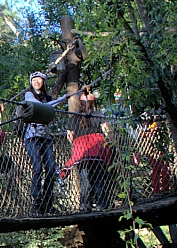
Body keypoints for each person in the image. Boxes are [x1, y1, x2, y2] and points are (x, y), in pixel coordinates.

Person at [64, 92, 113, 211]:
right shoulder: (99, 115)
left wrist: (77, 146)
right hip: (97, 151)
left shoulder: (73, 117)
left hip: (82, 152)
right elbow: (107, 131)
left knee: (85, 179)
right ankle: (102, 204)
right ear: (94, 103)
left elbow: (70, 136)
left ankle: (85, 205)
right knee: (99, 177)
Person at [23, 71, 57, 216]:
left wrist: (63, 99)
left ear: (44, 82)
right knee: (37, 168)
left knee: (51, 170)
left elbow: (51, 109)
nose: (36, 82)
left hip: (46, 137)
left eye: (39, 80)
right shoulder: (28, 95)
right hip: (32, 137)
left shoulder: (48, 98)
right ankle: (36, 203)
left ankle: (48, 203)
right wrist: (61, 99)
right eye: (34, 80)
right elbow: (36, 105)